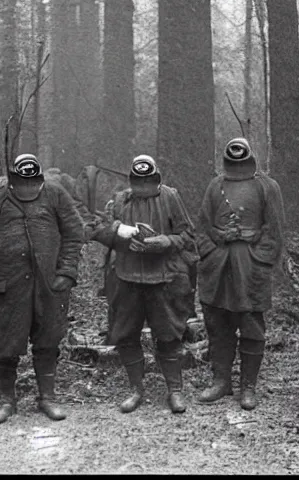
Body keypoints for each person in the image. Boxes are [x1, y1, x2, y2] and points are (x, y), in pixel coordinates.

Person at [90, 154, 197, 414]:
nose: (144, 187)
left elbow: (188, 234)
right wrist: (118, 230)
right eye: (139, 182)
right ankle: (136, 388)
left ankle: (175, 390)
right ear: (132, 181)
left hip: (163, 278)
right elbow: (96, 229)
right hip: (127, 278)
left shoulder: (171, 197)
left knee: (169, 336)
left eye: (149, 181)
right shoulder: (119, 201)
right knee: (126, 335)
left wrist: (166, 242)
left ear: (157, 179)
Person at [0, 153, 84, 424]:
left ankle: (47, 398)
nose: (28, 189)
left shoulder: (56, 195)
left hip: (49, 284)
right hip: (8, 283)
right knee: (6, 341)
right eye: (21, 183)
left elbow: (74, 234)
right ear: (12, 181)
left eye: (32, 183)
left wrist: (66, 272)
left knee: (48, 339)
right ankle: (7, 400)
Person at [196, 137, 284, 410]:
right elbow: (202, 228)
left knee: (251, 326)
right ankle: (221, 382)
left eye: (242, 160)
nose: (237, 165)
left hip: (250, 269)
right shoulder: (215, 186)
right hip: (218, 269)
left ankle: (248, 387)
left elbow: (275, 232)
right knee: (218, 325)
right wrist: (218, 242)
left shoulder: (266, 187)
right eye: (233, 160)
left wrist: (256, 255)